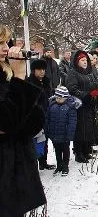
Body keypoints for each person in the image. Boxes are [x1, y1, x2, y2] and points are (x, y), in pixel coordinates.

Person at [0, 25, 47, 216]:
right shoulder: (13, 77)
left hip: (14, 169)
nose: (6, 47)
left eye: (6, 42)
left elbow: (34, 121)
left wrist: (18, 81)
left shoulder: (6, 76)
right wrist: (19, 77)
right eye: (0, 42)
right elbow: (6, 122)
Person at [66, 50, 98, 163]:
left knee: (89, 128)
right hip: (80, 105)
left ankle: (87, 150)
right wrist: (87, 95)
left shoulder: (90, 71)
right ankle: (79, 153)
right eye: (82, 60)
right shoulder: (73, 73)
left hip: (91, 104)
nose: (85, 62)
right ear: (77, 62)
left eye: (85, 60)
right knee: (80, 129)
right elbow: (72, 89)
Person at [26, 59, 56, 171]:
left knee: (45, 140)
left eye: (43, 69)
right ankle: (34, 164)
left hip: (46, 114)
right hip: (35, 116)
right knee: (35, 141)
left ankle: (43, 162)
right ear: (34, 70)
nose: (42, 72)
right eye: (39, 69)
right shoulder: (29, 82)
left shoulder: (46, 81)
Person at [46, 86, 80, 175]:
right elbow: (48, 119)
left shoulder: (70, 107)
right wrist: (48, 130)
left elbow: (72, 122)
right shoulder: (51, 106)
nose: (58, 99)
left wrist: (70, 135)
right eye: (56, 97)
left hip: (65, 135)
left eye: (60, 98)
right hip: (54, 134)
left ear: (65, 98)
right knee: (57, 151)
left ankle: (65, 166)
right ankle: (59, 165)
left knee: (65, 151)